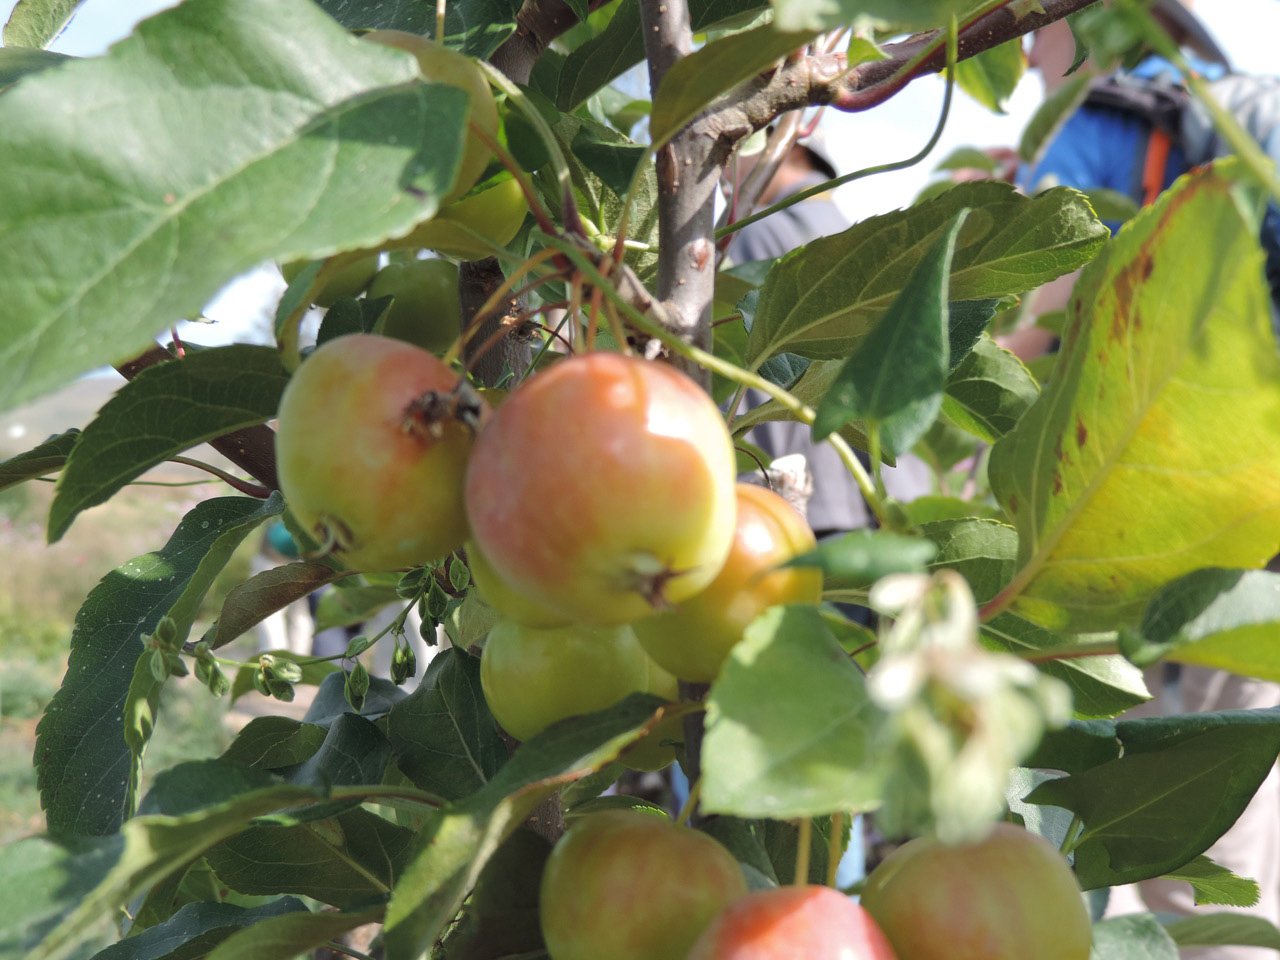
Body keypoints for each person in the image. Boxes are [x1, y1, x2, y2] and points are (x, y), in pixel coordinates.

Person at [1018, 8, 1280, 955]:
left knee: (1127, 815)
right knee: (1228, 813)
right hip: (1257, 519)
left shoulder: (1096, 121)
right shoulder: (1237, 114)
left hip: (1163, 526)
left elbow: (1026, 325)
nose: (1022, 57)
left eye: (1030, 30)